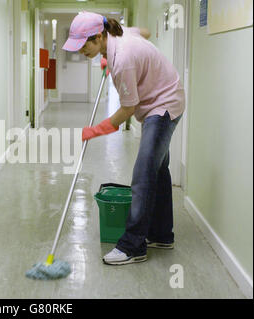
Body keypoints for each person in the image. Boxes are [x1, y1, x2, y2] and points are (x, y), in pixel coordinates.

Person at [63, 12, 185, 265]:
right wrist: (108, 55)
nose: (81, 51)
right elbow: (146, 33)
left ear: (99, 36)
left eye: (84, 44)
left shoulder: (124, 60)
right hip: (163, 97)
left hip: (163, 106)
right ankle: (162, 234)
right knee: (158, 171)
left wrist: (95, 130)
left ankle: (133, 245)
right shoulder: (121, 33)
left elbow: (128, 109)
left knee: (142, 175)